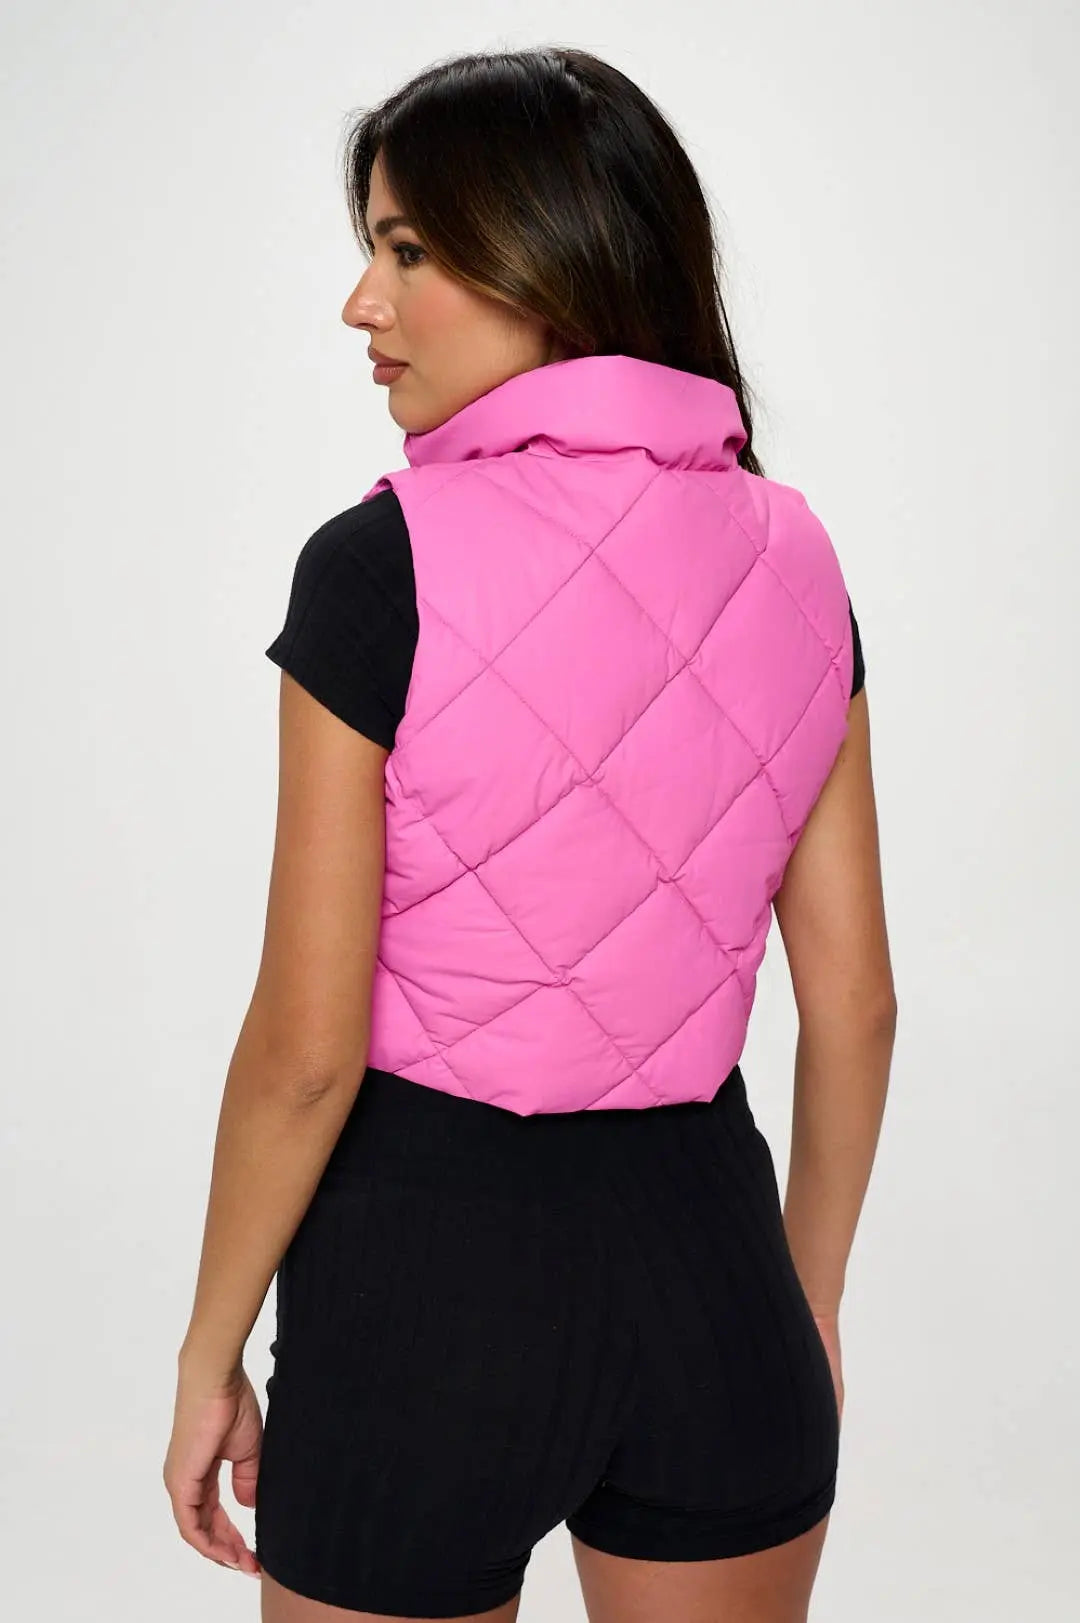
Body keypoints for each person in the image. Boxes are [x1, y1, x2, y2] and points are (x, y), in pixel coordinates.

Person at [163, 45, 896, 1623]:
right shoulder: (798, 556)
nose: (361, 303)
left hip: (424, 1289)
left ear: (546, 256)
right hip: (716, 1271)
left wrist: (209, 1351)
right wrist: (807, 1300)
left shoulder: (380, 566)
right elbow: (856, 1006)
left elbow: (306, 1049)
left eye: (408, 250)